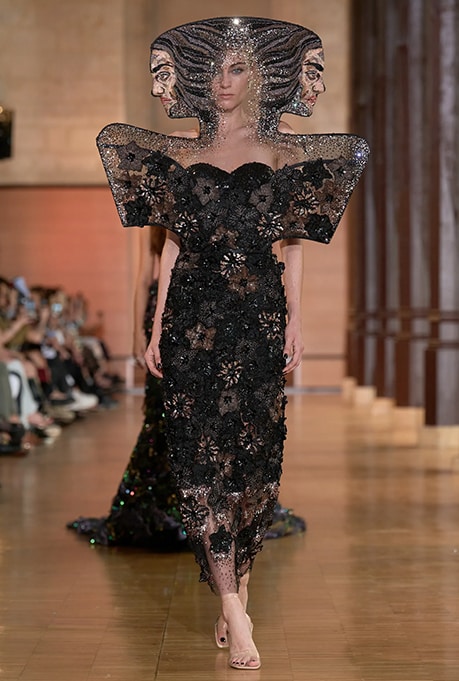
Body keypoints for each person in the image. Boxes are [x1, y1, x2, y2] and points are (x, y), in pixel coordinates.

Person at [97, 18, 368, 670]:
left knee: (251, 466)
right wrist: (156, 327)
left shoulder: (283, 150)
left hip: (257, 319)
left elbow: (294, 244)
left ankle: (237, 586)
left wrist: (295, 320)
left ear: (257, 77)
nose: (223, 81)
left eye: (236, 68)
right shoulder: (181, 153)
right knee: (197, 462)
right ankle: (233, 609)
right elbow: (171, 249)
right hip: (192, 321)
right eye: (214, 70)